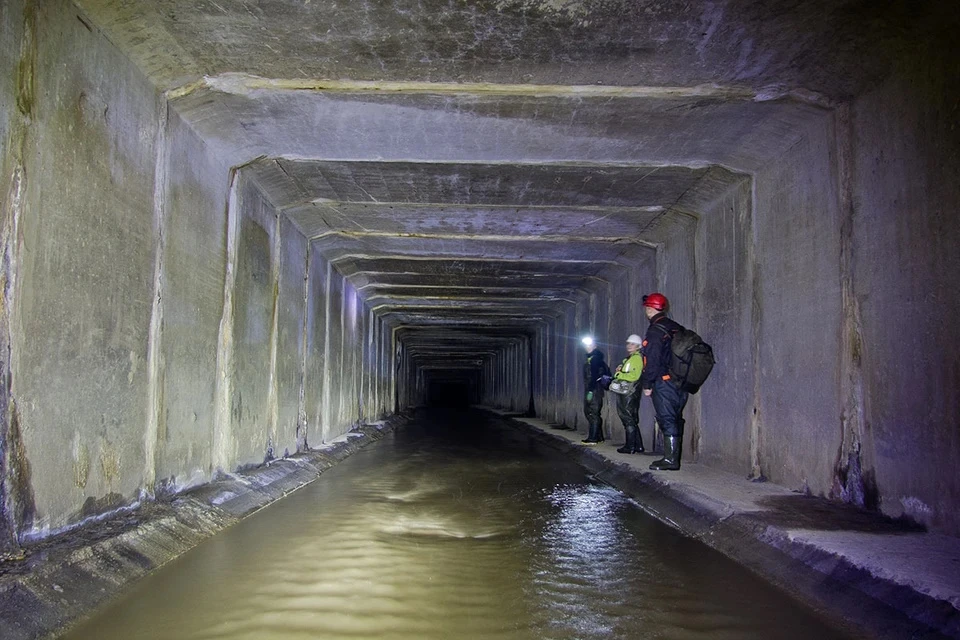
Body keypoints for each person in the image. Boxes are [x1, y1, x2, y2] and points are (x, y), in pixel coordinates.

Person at [640, 293, 687, 470]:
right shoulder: (675, 327)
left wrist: (647, 384)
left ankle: (670, 460)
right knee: (675, 417)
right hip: (681, 381)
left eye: (647, 308)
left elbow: (651, 359)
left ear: (650, 309)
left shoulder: (655, 330)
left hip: (664, 382)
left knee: (667, 418)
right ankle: (673, 456)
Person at [614, 334, 645, 454]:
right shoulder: (631, 359)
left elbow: (634, 376)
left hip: (629, 392)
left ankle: (630, 446)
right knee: (631, 418)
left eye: (632, 344)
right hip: (629, 391)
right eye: (628, 343)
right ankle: (638, 446)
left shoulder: (636, 359)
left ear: (638, 346)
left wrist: (618, 375)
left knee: (628, 418)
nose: (629, 346)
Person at [580, 337, 609, 445]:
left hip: (594, 390)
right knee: (590, 412)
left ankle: (593, 438)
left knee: (592, 413)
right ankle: (598, 436)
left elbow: (595, 376)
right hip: (591, 389)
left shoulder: (595, 359)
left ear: (595, 346)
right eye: (586, 345)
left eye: (590, 345)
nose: (588, 347)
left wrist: (591, 390)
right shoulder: (591, 358)